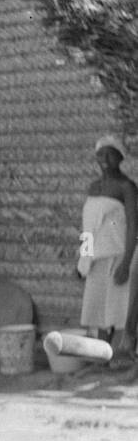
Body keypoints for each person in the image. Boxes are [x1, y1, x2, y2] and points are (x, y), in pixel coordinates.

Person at [78, 136, 137, 350]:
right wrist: (83, 260)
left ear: (120, 157)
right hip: (96, 258)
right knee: (98, 308)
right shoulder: (93, 187)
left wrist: (126, 264)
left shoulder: (126, 186)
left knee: (119, 308)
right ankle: (102, 351)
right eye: (100, 153)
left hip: (120, 255)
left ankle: (121, 351)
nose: (104, 158)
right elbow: (87, 227)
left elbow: (133, 226)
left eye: (110, 153)